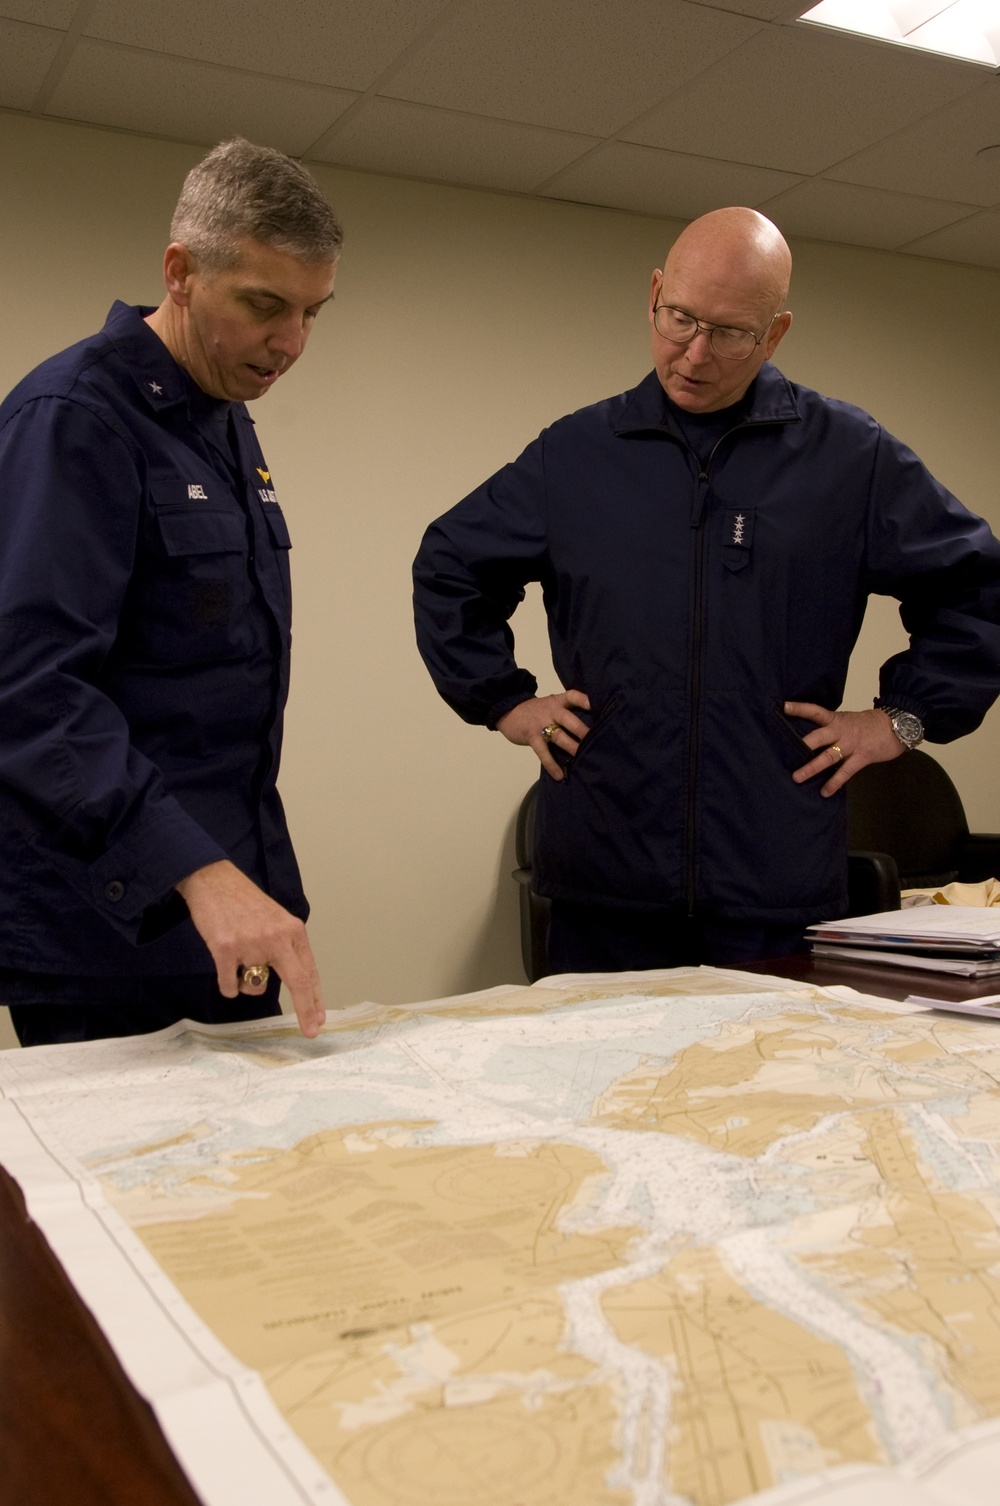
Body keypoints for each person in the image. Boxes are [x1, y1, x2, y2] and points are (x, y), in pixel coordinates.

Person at [413, 207, 1000, 976]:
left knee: (766, 1093)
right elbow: (451, 564)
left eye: (730, 333)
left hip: (773, 882)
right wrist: (503, 701)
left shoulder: (850, 460)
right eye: (679, 318)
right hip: (605, 876)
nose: (694, 354)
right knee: (597, 1091)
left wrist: (904, 719)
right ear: (655, 293)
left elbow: (979, 587)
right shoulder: (577, 455)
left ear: (776, 334)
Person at [0, 138, 342, 1045]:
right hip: (109, 928)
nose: (291, 344)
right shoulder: (75, 418)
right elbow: (31, 693)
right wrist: (197, 870)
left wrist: (239, 878)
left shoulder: (222, 416)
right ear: (181, 273)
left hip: (231, 908)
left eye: (313, 312)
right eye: (266, 306)